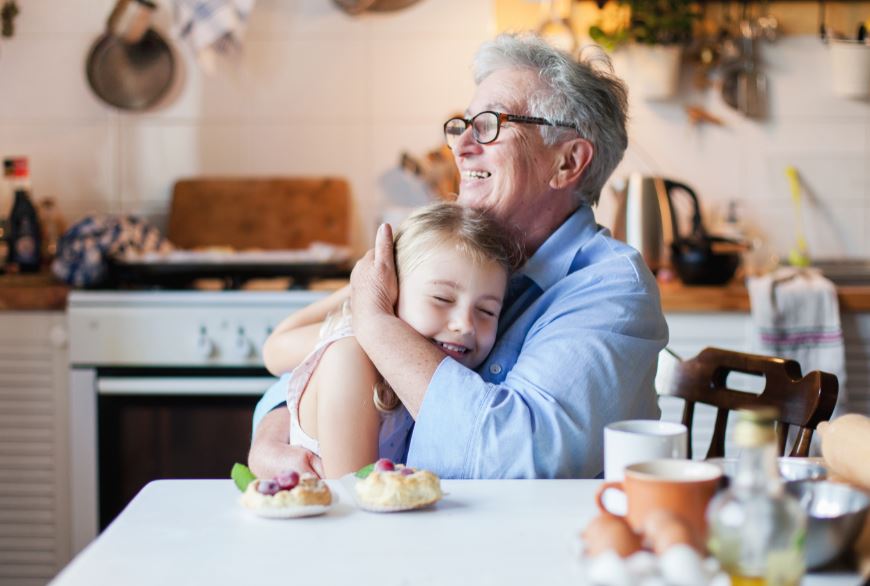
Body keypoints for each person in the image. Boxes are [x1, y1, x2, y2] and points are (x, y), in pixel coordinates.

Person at [249, 32, 668, 479]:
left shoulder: (610, 289)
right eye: (462, 124)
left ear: (567, 162)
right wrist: (276, 431)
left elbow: (516, 462)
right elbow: (321, 365)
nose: (461, 145)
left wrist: (376, 325)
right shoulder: (453, 257)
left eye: (490, 124)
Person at [254, 202, 520, 478]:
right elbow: (357, 495)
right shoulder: (351, 354)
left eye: (487, 311)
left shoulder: (451, 376)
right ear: (393, 290)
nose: (465, 325)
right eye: (441, 299)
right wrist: (360, 291)